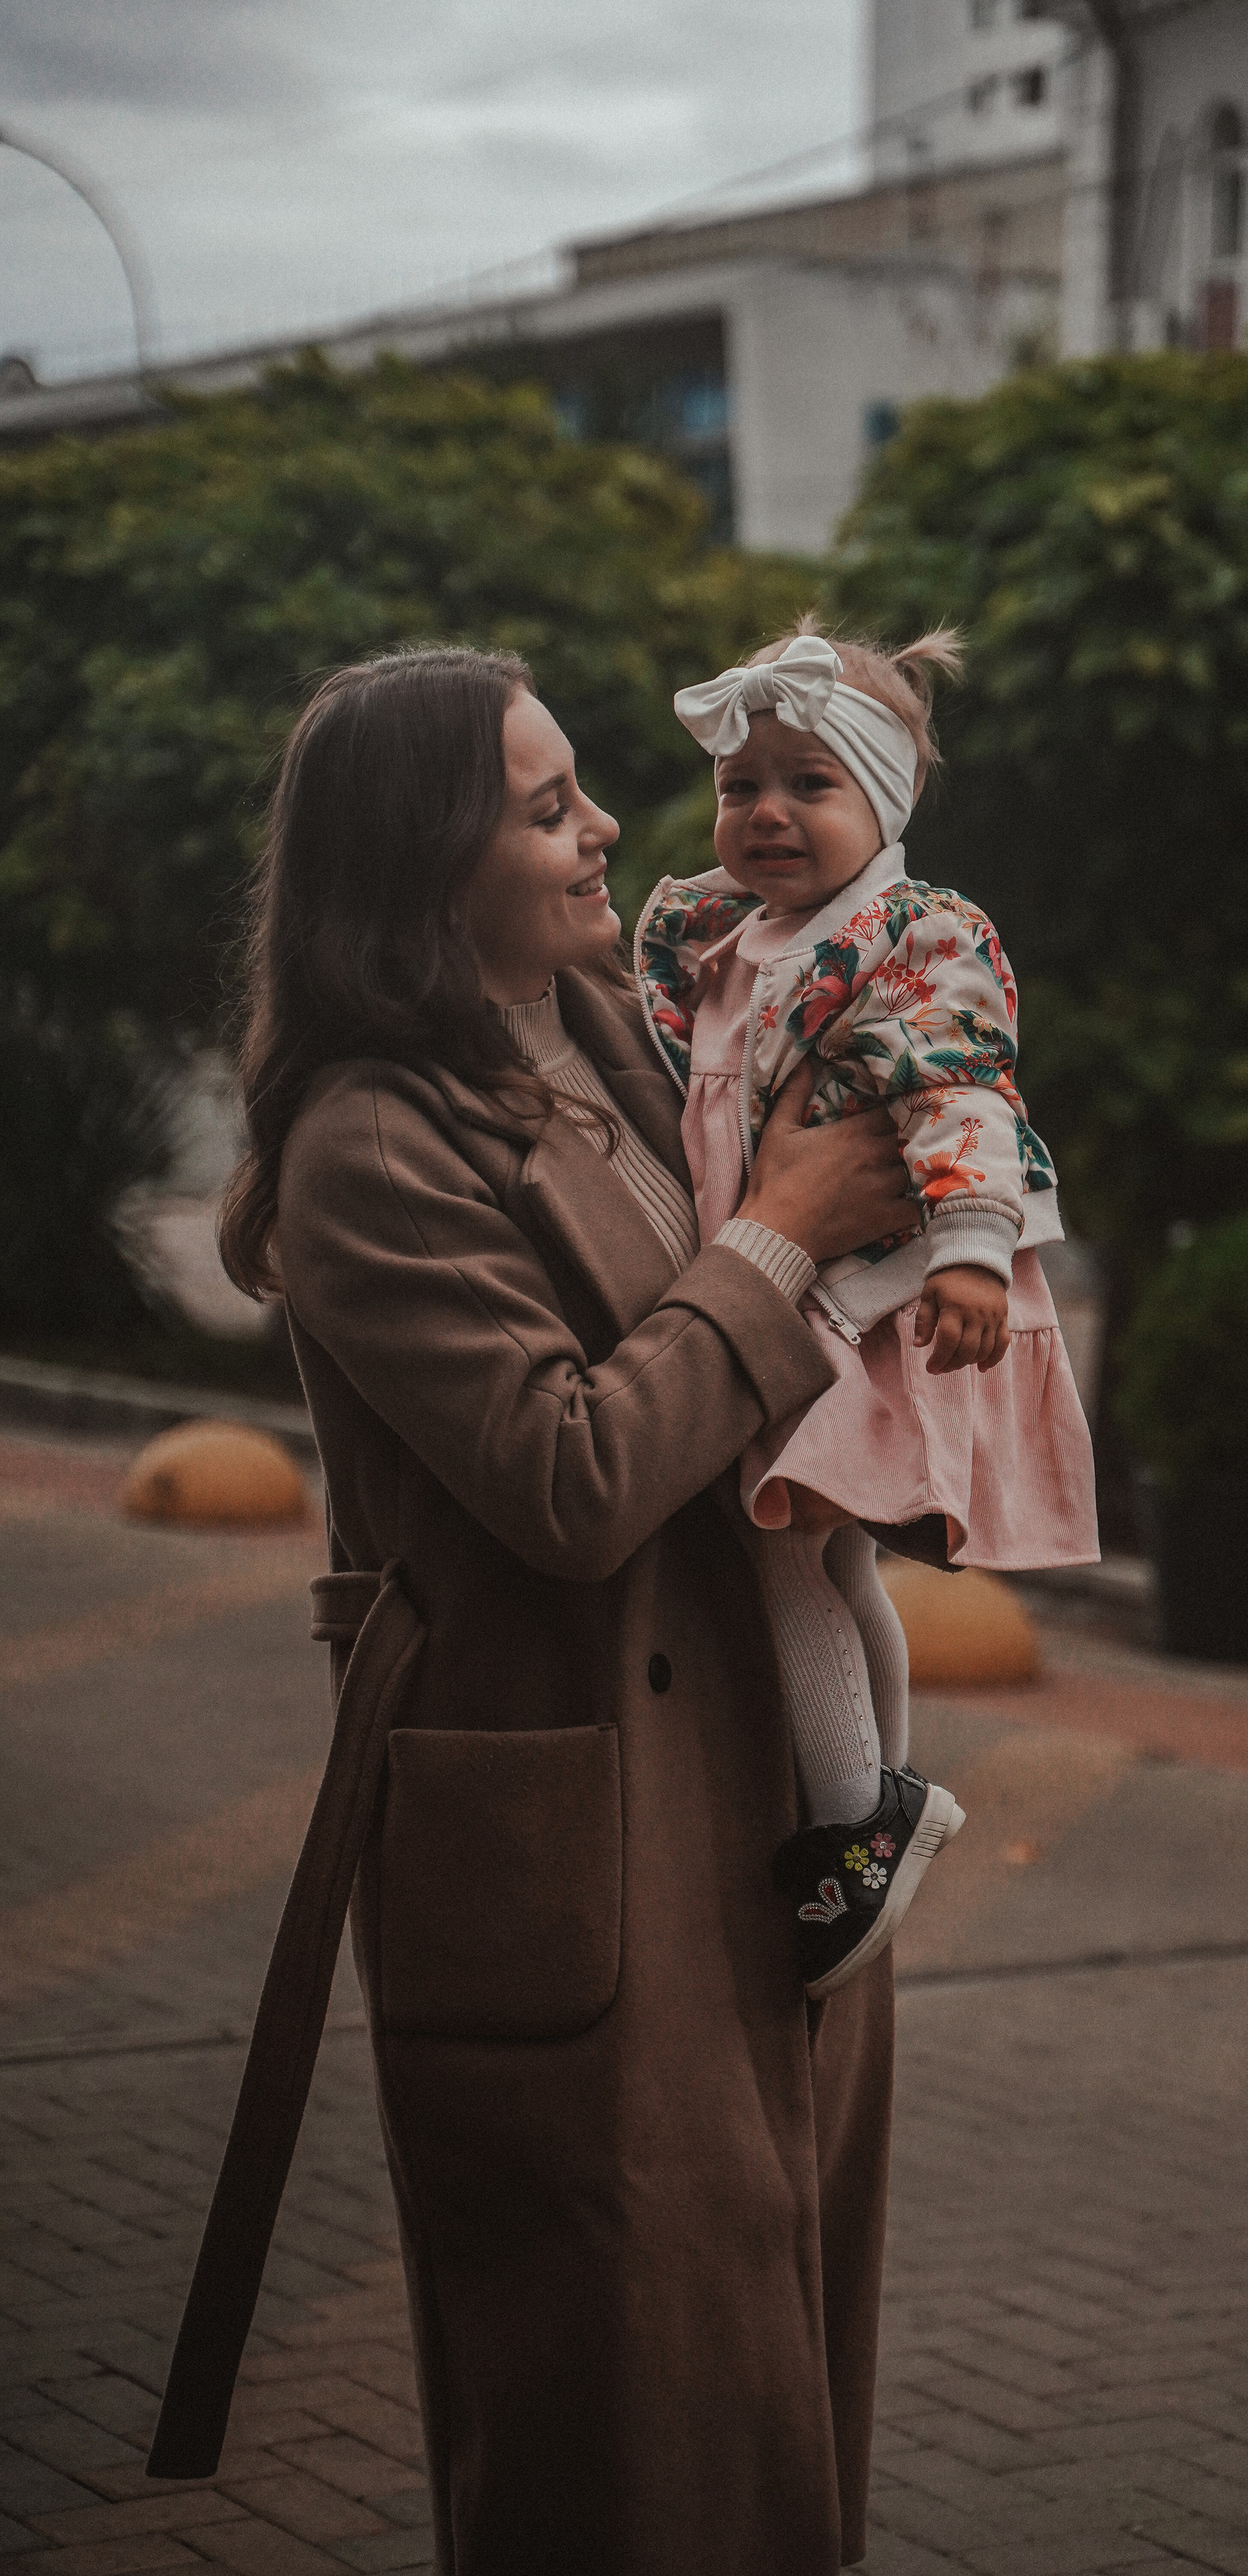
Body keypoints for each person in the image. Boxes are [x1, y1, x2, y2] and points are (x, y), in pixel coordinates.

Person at [170, 645, 916, 2575]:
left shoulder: (603, 1024)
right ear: (427, 864)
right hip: (573, 1836)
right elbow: (572, 1477)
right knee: (624, 2425)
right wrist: (782, 1239)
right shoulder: (367, 1148)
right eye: (545, 804)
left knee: (777, 2371)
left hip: (778, 1801)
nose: (601, 832)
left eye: (583, 789)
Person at [636, 619, 1099, 1995]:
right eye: (741, 787)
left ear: (882, 803)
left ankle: (852, 1828)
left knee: (783, 1548)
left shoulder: (910, 935)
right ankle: (884, 1802)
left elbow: (963, 1089)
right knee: (830, 1560)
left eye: (809, 784)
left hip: (865, 1298)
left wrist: (968, 1245)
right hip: (770, 1282)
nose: (766, 813)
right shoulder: (717, 936)